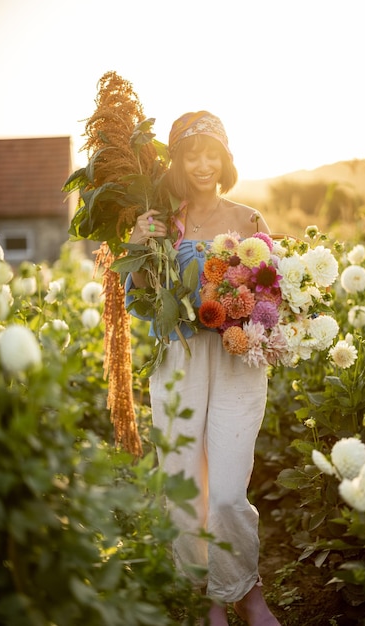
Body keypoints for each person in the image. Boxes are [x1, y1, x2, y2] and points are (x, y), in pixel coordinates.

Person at [126, 111, 281, 626]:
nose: (203, 163)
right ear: (177, 162)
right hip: (179, 358)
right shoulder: (159, 223)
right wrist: (136, 247)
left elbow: (277, 300)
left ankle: (246, 590)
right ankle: (208, 597)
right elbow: (139, 301)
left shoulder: (250, 221)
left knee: (230, 491)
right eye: (192, 155)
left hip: (236, 359)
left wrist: (249, 314)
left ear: (226, 158)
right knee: (184, 486)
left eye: (211, 152)